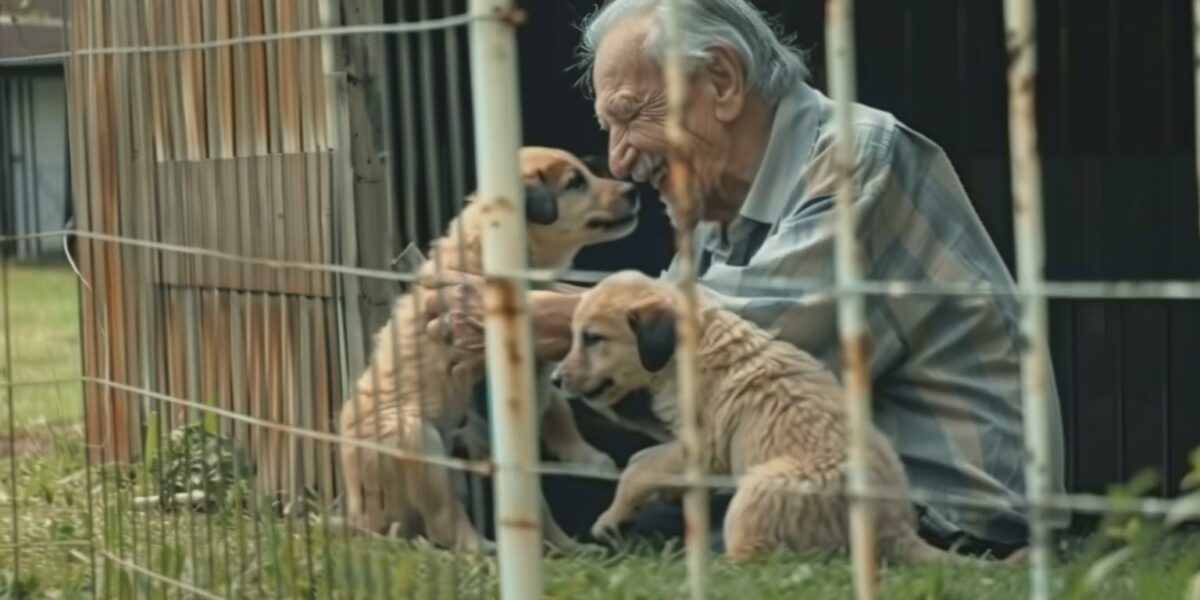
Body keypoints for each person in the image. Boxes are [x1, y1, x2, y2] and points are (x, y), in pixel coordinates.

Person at [421, 0, 1066, 559]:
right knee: (653, 513)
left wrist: (548, 319)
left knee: (662, 517)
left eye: (628, 115)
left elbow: (728, 351)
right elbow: (660, 372)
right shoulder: (707, 205)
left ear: (722, 81)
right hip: (815, 490)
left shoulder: (857, 159)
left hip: (950, 521)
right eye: (608, 130)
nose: (619, 157)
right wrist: (543, 318)